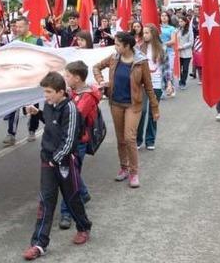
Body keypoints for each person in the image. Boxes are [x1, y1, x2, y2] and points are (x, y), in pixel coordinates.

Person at [21, 72, 92, 260]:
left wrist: (56, 159)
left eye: (49, 92)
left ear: (61, 92)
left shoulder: (71, 110)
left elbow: (69, 140)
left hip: (64, 162)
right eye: (44, 92)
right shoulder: (49, 105)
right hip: (47, 160)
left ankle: (84, 227)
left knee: (72, 198)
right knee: (46, 201)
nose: (46, 96)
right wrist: (39, 114)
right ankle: (38, 244)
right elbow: (52, 124)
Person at [92, 32, 159, 189]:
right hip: (115, 103)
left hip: (133, 105)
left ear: (127, 46)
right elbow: (96, 67)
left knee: (129, 138)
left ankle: (134, 173)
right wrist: (101, 81)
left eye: (117, 44)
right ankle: (124, 168)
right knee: (121, 139)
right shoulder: (114, 57)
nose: (115, 47)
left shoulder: (141, 62)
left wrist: (155, 108)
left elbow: (149, 87)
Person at [58, 61, 100, 230]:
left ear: (76, 78)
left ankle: (66, 213)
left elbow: (75, 116)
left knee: (68, 177)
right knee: (71, 174)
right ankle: (83, 193)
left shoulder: (87, 96)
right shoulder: (74, 92)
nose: (65, 78)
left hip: (78, 142)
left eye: (67, 76)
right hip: (71, 140)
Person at [3, 16, 44, 146]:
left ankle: (32, 130)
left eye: (21, 26)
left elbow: (42, 59)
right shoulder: (15, 41)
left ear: (27, 26)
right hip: (18, 80)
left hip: (33, 79)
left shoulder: (36, 40)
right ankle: (11, 133)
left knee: (33, 106)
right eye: (17, 26)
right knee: (14, 106)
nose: (18, 29)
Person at [137, 24, 169, 151]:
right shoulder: (139, 48)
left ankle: (150, 140)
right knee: (142, 111)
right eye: (143, 33)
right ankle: (138, 139)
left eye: (146, 33)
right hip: (143, 84)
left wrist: (169, 83)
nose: (144, 35)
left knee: (152, 112)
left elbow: (166, 68)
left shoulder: (162, 48)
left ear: (153, 34)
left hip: (157, 84)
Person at [159, 10, 178, 98]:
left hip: (169, 51)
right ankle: (162, 90)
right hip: (159, 51)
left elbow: (173, 41)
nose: (164, 17)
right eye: (162, 15)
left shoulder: (172, 28)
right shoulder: (158, 27)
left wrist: (163, 44)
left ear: (168, 18)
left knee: (169, 70)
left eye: (165, 16)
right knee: (161, 70)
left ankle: (171, 88)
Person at [177, 16, 194, 90]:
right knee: (179, 68)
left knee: (185, 68)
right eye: (179, 21)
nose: (180, 23)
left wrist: (182, 46)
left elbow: (191, 42)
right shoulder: (177, 30)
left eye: (182, 21)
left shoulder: (189, 30)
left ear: (185, 22)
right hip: (178, 52)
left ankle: (183, 82)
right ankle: (180, 80)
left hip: (187, 53)